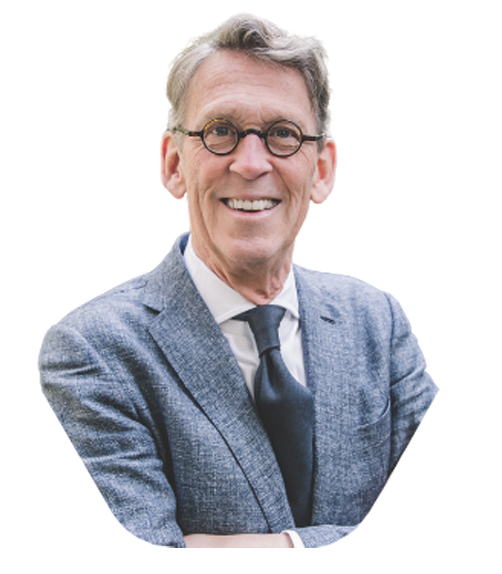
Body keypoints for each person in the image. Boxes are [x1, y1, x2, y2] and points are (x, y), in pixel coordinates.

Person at [39, 12, 438, 548]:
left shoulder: (377, 324)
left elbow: (458, 515)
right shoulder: (92, 352)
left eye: (283, 134)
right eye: (221, 131)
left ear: (322, 170)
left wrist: (246, 548)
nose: (251, 164)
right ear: (174, 163)